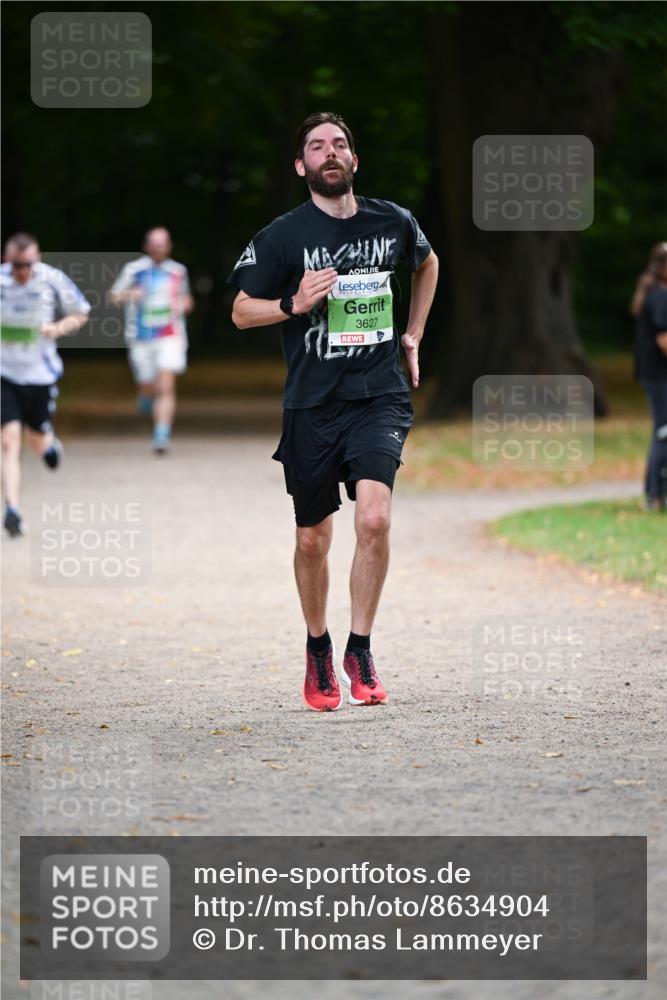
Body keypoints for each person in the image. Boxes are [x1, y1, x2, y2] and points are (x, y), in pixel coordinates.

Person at [229, 112, 439, 712]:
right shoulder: (282, 236)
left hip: (379, 395)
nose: (330, 153)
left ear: (354, 160)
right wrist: (294, 302)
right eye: (317, 147)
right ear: (301, 166)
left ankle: (361, 647)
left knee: (373, 519)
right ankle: (318, 647)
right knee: (313, 538)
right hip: (313, 402)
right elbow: (242, 311)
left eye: (340, 144)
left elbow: (428, 264)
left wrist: (413, 335)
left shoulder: (393, 221)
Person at [1, 232, 90, 537]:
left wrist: (57, 328)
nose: (22, 271)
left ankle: (49, 445)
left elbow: (82, 311)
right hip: (5, 374)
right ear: (7, 261)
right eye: (16, 265)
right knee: (9, 441)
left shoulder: (52, 279)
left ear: (36, 260)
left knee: (36, 440)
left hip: (40, 375)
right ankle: (12, 510)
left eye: (27, 264)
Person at [110, 227, 193, 454]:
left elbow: (187, 299)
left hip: (170, 335)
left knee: (166, 384)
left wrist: (184, 305)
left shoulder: (178, 271)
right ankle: (145, 393)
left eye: (163, 243)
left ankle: (161, 434)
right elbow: (114, 296)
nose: (159, 247)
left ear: (169, 246)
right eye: (155, 243)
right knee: (148, 384)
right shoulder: (133, 270)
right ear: (146, 246)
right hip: (141, 337)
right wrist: (130, 295)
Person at [631, 243, 667, 511]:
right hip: (659, 375)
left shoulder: (653, 293)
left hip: (652, 374)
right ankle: (654, 495)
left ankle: (657, 494)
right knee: (664, 433)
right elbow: (664, 339)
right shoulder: (661, 296)